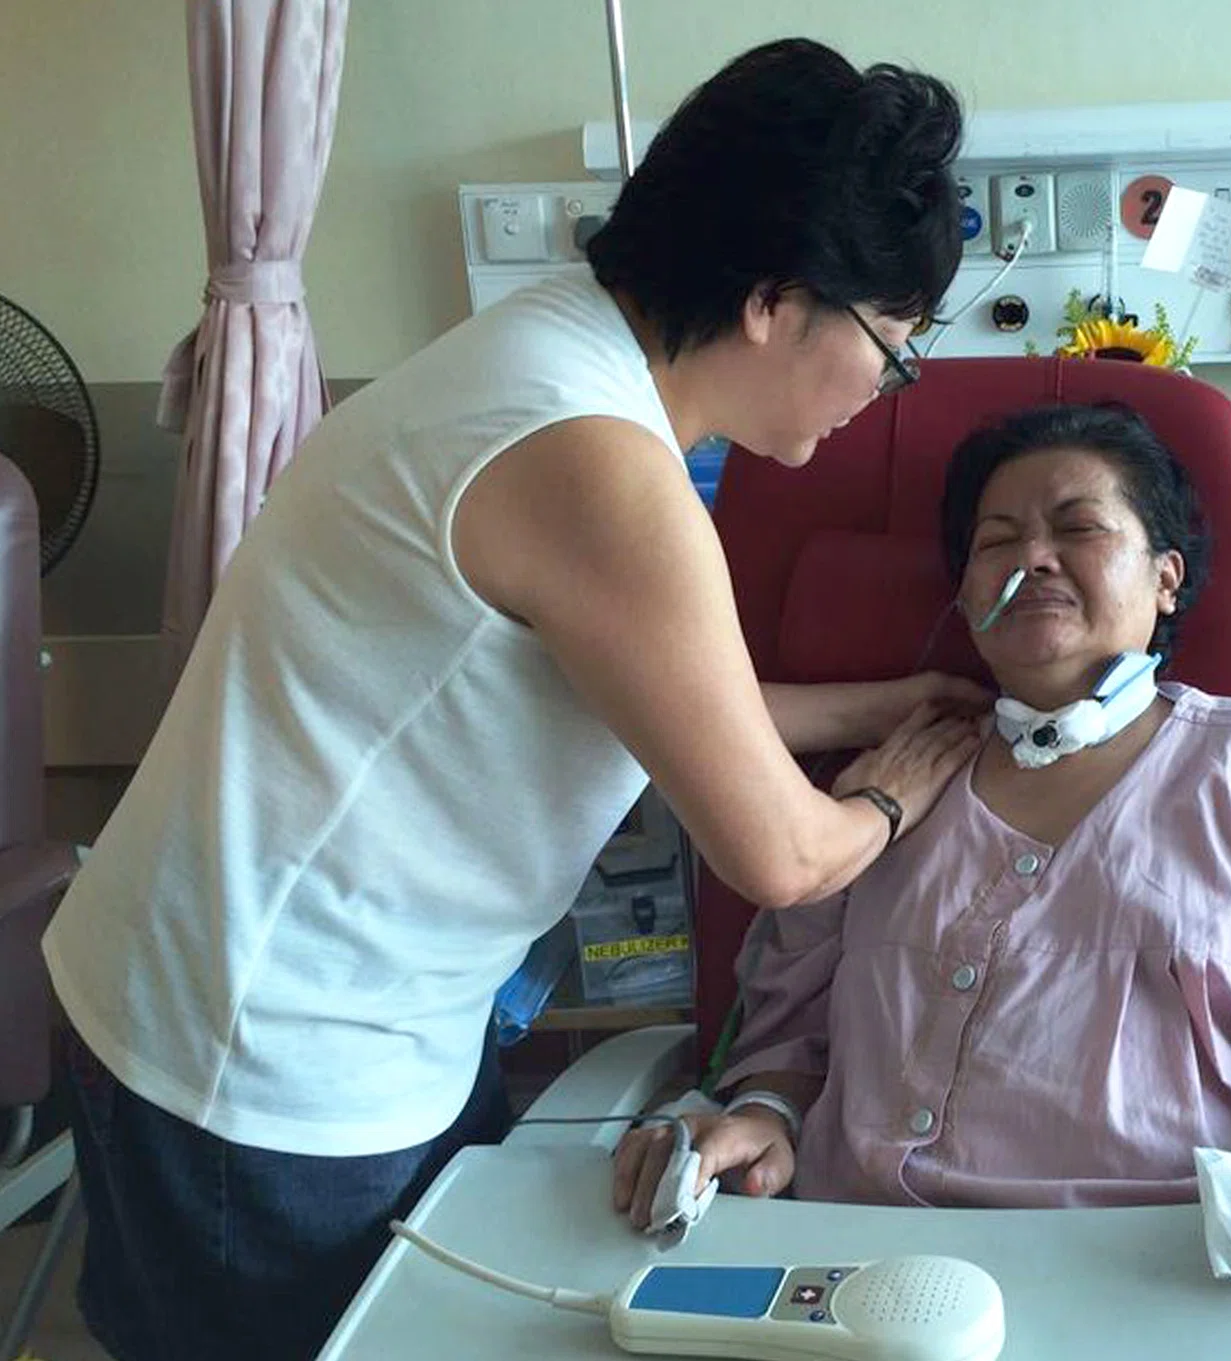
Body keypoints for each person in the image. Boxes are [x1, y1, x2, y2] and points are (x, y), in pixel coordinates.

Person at [42, 38, 983, 1361]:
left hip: (240, 987)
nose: (880, 398)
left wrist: (877, 701)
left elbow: (656, 685)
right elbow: (782, 853)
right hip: (261, 1064)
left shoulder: (549, 352)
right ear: (779, 299)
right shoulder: (598, 466)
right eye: (892, 354)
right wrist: (904, 782)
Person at [612, 403, 1231, 1296]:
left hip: (1178, 1278)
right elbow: (789, 1025)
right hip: (864, 1278)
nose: (1033, 558)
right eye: (997, 541)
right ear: (968, 593)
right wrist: (764, 1116)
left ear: (1167, 576)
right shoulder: (886, 787)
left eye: (1078, 527)